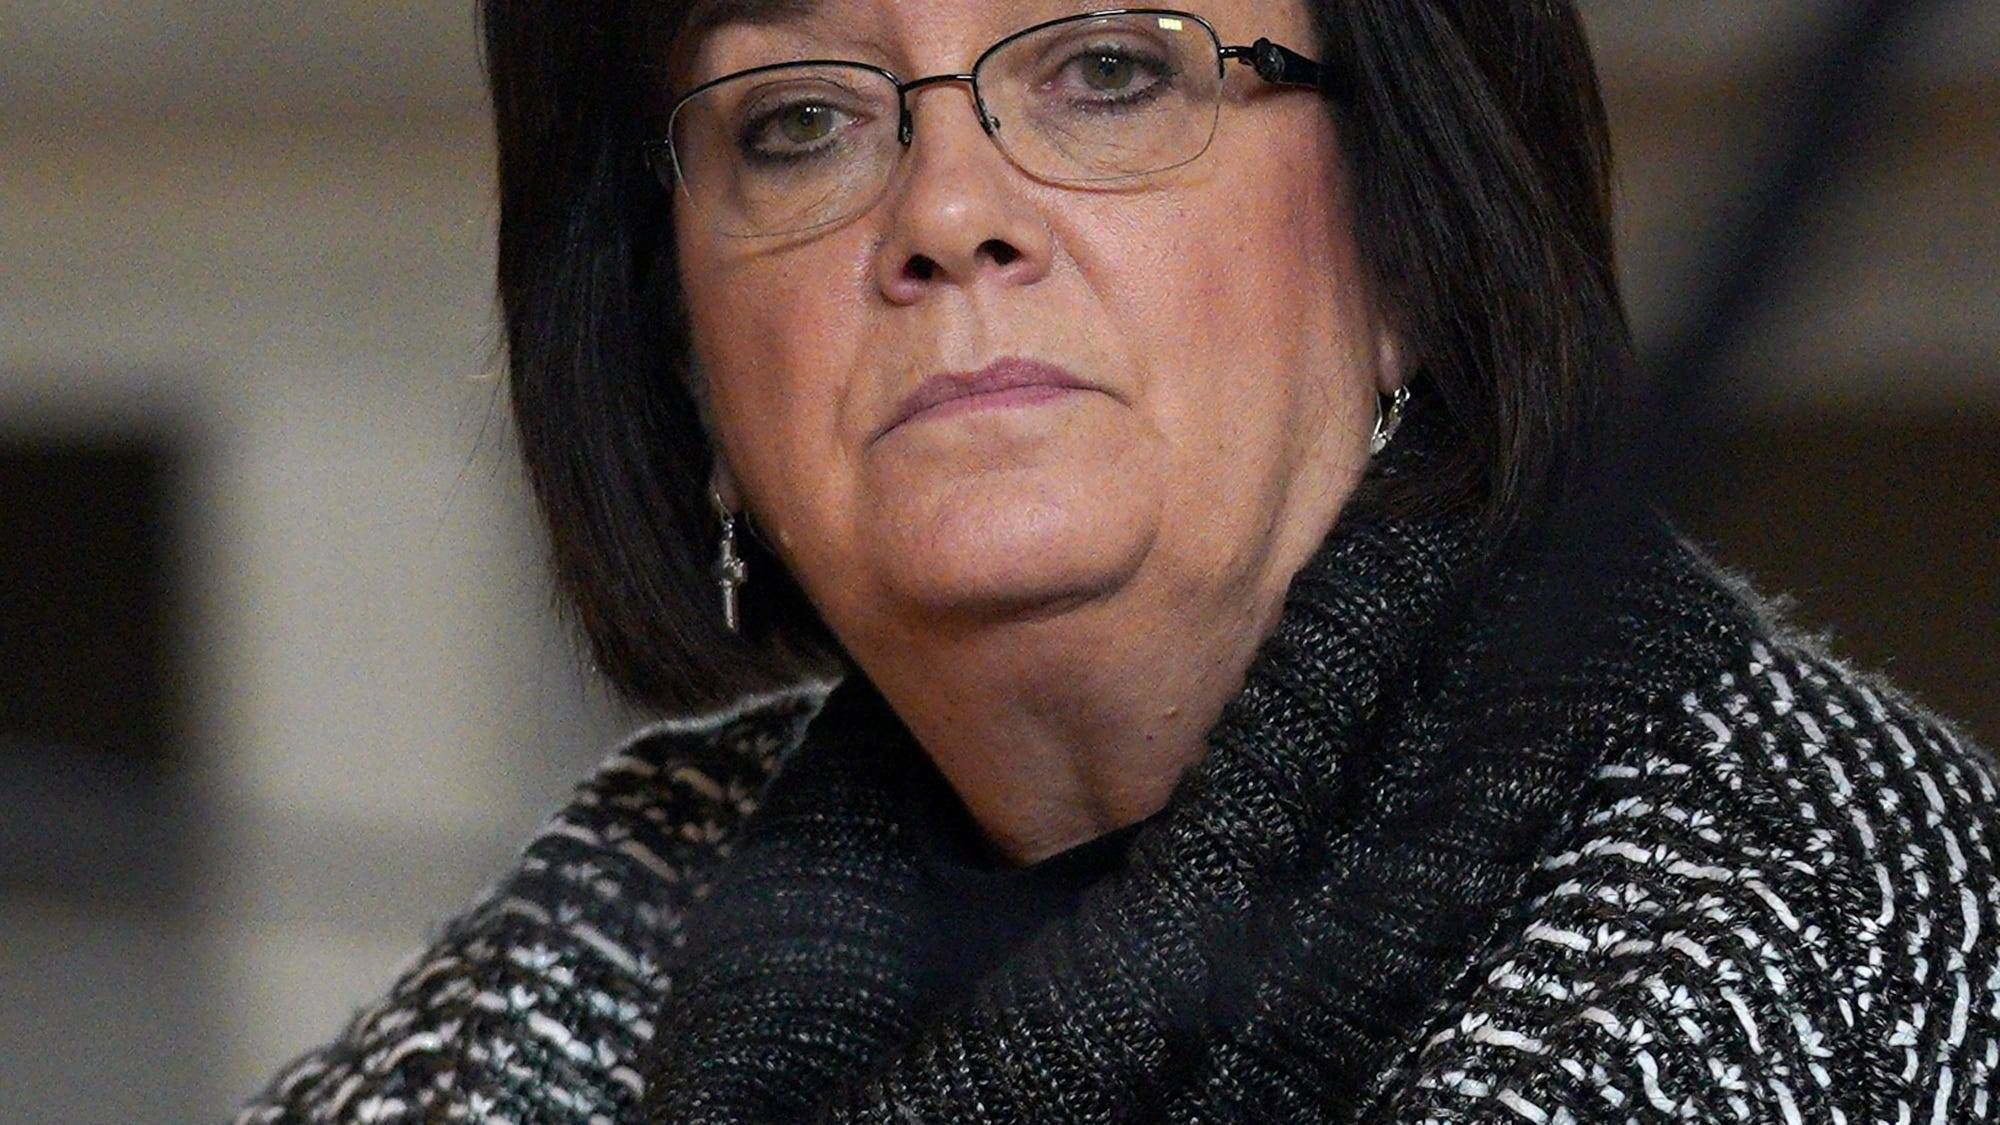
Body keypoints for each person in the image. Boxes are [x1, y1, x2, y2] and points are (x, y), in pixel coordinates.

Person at [237, 2, 1999, 1122]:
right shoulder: (600, 923)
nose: (946, 213)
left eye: (1108, 72)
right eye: (800, 121)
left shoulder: (1820, 927)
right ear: (683, 348)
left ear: (1410, 237)